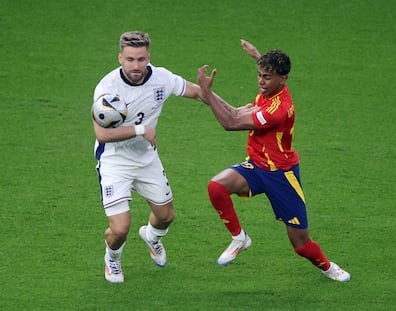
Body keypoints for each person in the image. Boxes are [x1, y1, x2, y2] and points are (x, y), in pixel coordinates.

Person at [196, 39, 351, 282]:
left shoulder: (278, 109)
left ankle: (328, 267)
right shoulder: (268, 91)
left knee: (300, 244)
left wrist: (207, 93)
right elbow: (237, 112)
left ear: (283, 79)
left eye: (266, 77)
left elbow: (231, 122)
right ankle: (239, 238)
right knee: (216, 186)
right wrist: (256, 55)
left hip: (281, 176)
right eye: (259, 74)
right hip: (256, 167)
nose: (260, 81)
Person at [92, 31, 207, 283]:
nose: (136, 66)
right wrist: (141, 130)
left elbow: (198, 93)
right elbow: (102, 134)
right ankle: (112, 259)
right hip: (115, 161)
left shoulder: (162, 78)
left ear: (148, 58)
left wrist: (232, 111)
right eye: (130, 59)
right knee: (120, 228)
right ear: (120, 58)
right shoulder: (108, 88)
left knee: (166, 217)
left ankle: (152, 237)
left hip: (146, 158)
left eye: (141, 59)